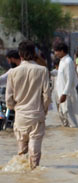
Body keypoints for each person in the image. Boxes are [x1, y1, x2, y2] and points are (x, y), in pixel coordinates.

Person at [5, 41, 51, 169]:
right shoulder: (42, 70)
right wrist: (44, 110)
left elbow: (9, 98)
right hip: (36, 114)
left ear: (20, 54)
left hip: (20, 115)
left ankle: (23, 177)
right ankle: (34, 173)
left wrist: (14, 108)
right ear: (34, 53)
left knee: (22, 150)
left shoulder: (13, 72)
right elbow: (47, 95)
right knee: (34, 150)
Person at [53, 42, 78, 127]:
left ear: (62, 51)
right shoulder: (62, 61)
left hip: (66, 95)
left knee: (70, 117)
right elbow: (60, 74)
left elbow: (70, 79)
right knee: (64, 117)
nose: (55, 53)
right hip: (61, 93)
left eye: (56, 51)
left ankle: (74, 135)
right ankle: (68, 136)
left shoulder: (68, 62)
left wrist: (64, 94)